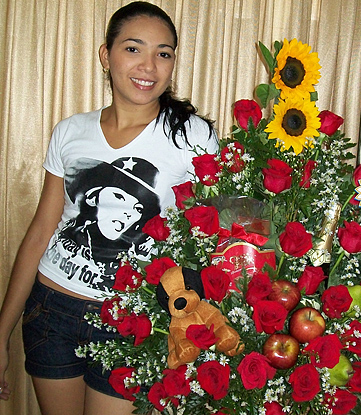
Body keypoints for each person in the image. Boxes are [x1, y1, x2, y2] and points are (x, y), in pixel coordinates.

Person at [0, 2, 218, 414]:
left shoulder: (193, 137)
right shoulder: (71, 131)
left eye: (164, 53)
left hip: (130, 320)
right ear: (106, 55)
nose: (149, 66)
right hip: (52, 308)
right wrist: (1, 331)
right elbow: (41, 230)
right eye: (133, 49)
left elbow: (206, 239)